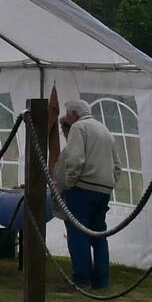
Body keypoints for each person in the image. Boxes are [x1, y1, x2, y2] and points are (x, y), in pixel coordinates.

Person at [54, 97, 116, 290]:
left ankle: (81, 279)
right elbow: (117, 166)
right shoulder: (104, 130)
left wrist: (69, 183)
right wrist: (109, 184)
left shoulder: (79, 128)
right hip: (103, 190)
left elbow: (74, 159)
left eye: (67, 115)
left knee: (77, 234)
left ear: (74, 114)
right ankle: (101, 280)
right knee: (98, 235)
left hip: (83, 188)